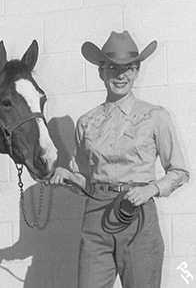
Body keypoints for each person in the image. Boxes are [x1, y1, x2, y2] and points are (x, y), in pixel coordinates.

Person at [50, 31, 190, 288]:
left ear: (137, 72)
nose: (121, 75)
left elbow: (179, 172)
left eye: (129, 68)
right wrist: (69, 175)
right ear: (100, 71)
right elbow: (88, 181)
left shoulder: (155, 116)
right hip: (95, 217)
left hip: (137, 214)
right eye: (112, 67)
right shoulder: (86, 123)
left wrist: (151, 189)